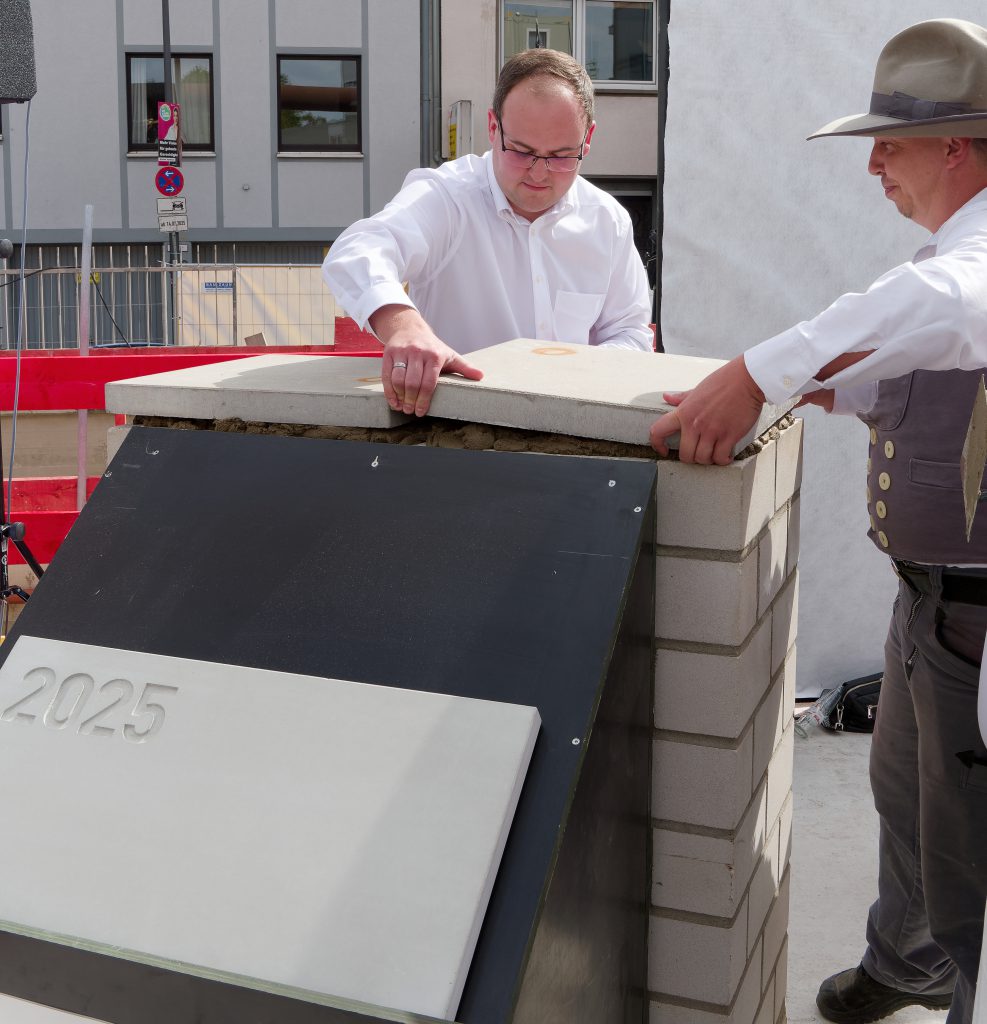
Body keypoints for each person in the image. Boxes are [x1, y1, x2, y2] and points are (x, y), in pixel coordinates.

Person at [651, 18, 987, 1024]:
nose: (876, 161)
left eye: (891, 139)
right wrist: (825, 391)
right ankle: (910, 957)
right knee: (908, 800)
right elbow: (928, 387)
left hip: (974, 614)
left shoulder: (963, 269)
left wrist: (761, 372)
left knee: (965, 843)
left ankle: (952, 974)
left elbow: (946, 307)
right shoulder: (946, 266)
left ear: (959, 146)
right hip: (931, 605)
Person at [322, 48, 652, 417]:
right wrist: (404, 327)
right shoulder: (449, 198)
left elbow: (631, 334)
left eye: (561, 155)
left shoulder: (608, 221)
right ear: (493, 128)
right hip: (460, 434)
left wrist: (577, 371)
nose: (539, 173)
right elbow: (358, 249)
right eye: (522, 150)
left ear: (587, 138)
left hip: (572, 431)